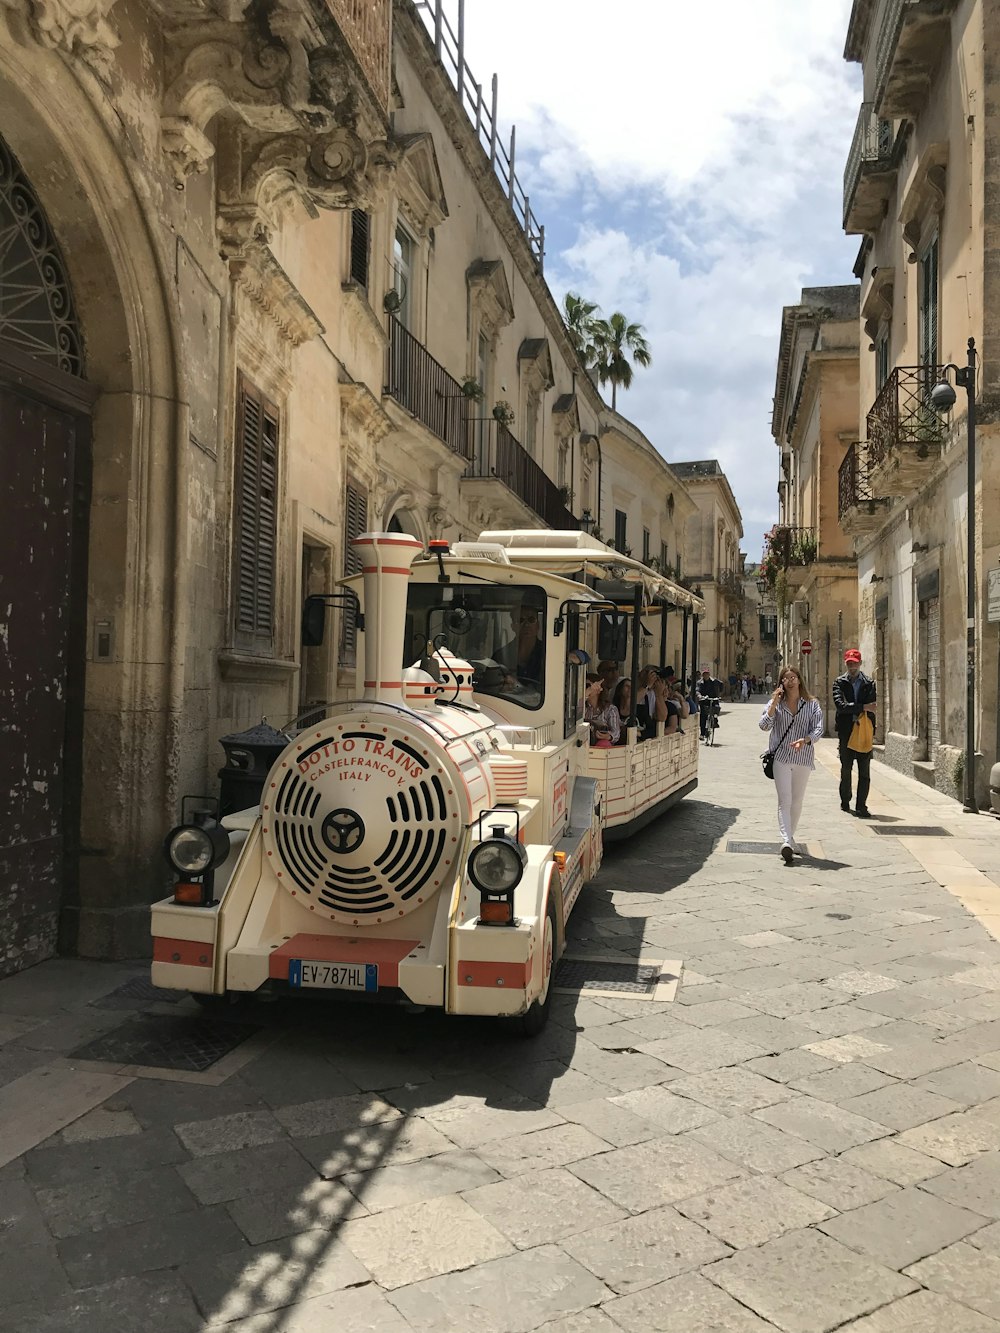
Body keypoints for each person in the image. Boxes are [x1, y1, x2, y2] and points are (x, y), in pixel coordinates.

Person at [760, 666, 825, 865]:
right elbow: (764, 725)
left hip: (803, 757)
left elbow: (819, 728)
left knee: (797, 801)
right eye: (786, 678)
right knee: (785, 800)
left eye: (793, 677)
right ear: (781, 683)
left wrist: (805, 740)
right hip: (781, 757)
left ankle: (790, 837)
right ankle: (786, 841)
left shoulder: (811, 704)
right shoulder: (776, 704)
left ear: (799, 680)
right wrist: (774, 703)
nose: (790, 681)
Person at [832, 648, 877, 817]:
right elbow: (840, 706)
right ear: (846, 664)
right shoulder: (839, 683)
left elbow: (872, 707)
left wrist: (861, 709)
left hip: (864, 731)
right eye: (849, 663)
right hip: (846, 731)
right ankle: (845, 800)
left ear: (860, 663)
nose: (852, 666)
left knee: (864, 771)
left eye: (855, 663)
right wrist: (863, 707)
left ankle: (861, 805)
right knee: (846, 768)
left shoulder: (869, 683)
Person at [495, 602, 544, 688]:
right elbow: (492, 686)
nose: (526, 625)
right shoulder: (500, 656)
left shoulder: (549, 654)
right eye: (520, 620)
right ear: (513, 626)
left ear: (538, 626)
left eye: (531, 620)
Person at [585, 672, 621, 746]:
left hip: (602, 745)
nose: (586, 689)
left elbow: (616, 733)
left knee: (603, 744)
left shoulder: (610, 709)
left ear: (599, 688)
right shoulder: (582, 706)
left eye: (587, 686)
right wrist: (585, 695)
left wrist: (608, 736)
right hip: (583, 742)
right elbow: (575, 716)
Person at [695, 668, 723, 740]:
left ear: (709, 675)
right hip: (704, 700)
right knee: (703, 717)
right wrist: (699, 696)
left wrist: (719, 694)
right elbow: (697, 690)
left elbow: (721, 684)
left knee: (716, 709)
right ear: (702, 675)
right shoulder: (699, 682)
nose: (706, 676)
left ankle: (715, 720)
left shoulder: (714, 681)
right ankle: (702, 733)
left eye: (707, 674)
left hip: (713, 699)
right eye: (704, 674)